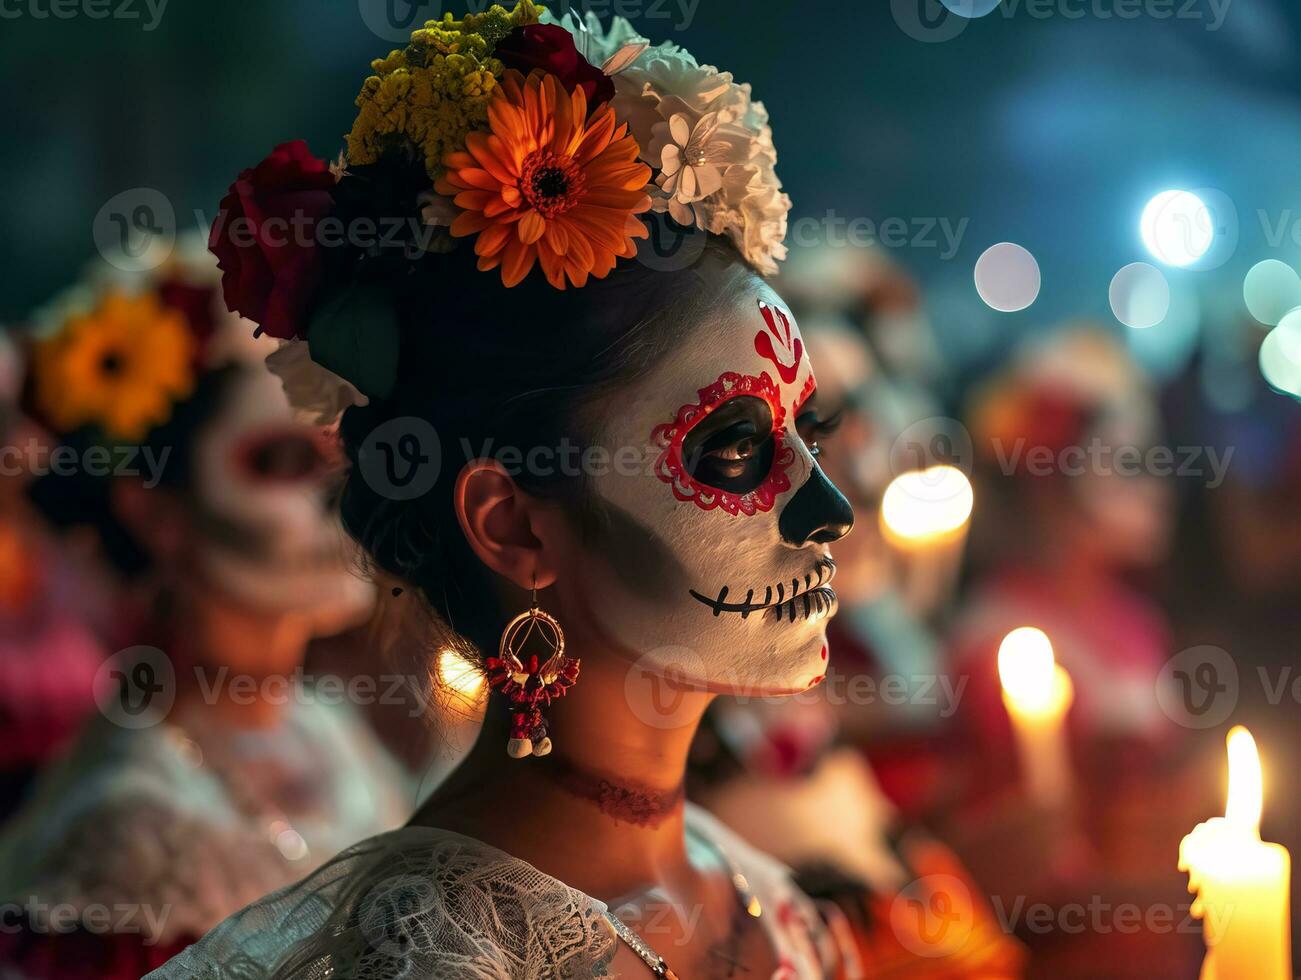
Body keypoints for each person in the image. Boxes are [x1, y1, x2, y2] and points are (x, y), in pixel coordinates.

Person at [149, 5, 866, 976]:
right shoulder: (431, 954)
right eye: (732, 449)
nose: (828, 506)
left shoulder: (770, 900)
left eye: (807, 434)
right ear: (511, 521)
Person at [0, 241, 411, 977]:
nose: (335, 499)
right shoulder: (130, 829)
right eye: (282, 460)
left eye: (347, 456)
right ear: (155, 510)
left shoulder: (328, 725)